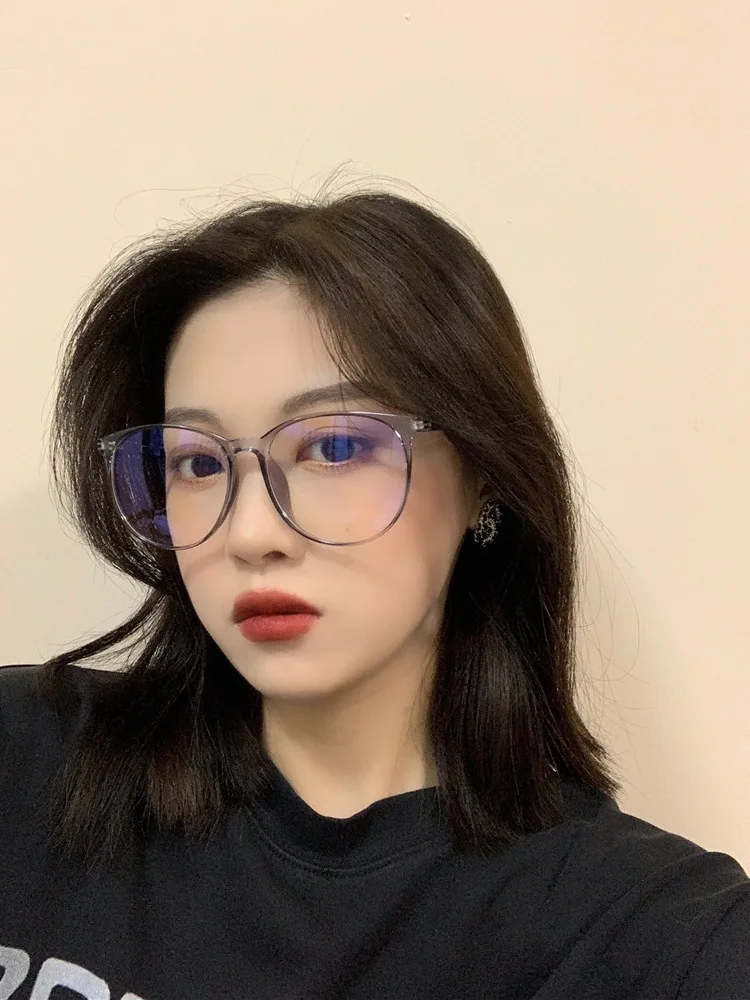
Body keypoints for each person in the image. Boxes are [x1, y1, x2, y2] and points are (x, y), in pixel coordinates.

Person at [1, 190, 747, 1000]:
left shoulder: (652, 935)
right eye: (197, 462)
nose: (250, 533)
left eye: (334, 446)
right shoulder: (24, 761)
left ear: (484, 475)